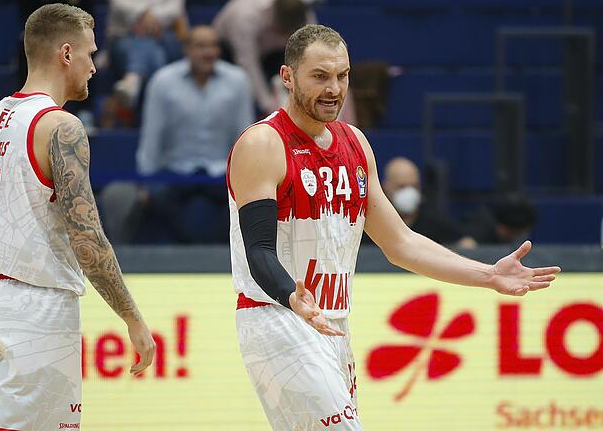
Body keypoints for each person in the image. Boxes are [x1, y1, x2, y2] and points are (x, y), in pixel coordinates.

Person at [226, 24, 561, 431]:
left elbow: (400, 242)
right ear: (287, 77)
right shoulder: (263, 144)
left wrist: (487, 274)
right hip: (277, 316)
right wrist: (291, 298)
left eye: (342, 75)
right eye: (320, 76)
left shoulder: (355, 143)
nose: (334, 88)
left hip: (332, 321)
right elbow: (258, 249)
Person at [0, 4, 156, 431]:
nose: (95, 66)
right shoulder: (60, 127)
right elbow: (88, 238)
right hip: (36, 305)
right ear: (66, 53)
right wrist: (133, 318)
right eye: (90, 54)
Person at [103, 26, 253, 244]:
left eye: (213, 46)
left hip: (221, 175)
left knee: (247, 202)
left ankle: (213, 258)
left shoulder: (238, 80)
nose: (209, 52)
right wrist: (146, 182)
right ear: (187, 50)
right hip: (174, 174)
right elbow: (152, 138)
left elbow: (245, 138)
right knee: (155, 197)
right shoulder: (163, 81)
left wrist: (246, 181)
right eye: (201, 47)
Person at [213, 0, 314, 114]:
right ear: (274, 16)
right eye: (283, 29)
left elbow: (309, 51)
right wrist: (267, 105)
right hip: (229, 51)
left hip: (273, 52)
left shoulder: (303, 13)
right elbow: (248, 64)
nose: (284, 33)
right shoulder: (244, 16)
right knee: (242, 84)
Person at [107, 0, 187, 108]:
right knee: (149, 47)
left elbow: (174, 9)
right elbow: (119, 4)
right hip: (125, 36)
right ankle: (162, 96)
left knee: (152, 44)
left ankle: (133, 80)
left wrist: (150, 19)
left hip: (164, 36)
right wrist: (142, 14)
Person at [381, 156, 473, 247]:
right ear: (386, 186)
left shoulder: (433, 221)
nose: (409, 192)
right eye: (402, 186)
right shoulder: (375, 222)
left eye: (414, 186)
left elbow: (466, 243)